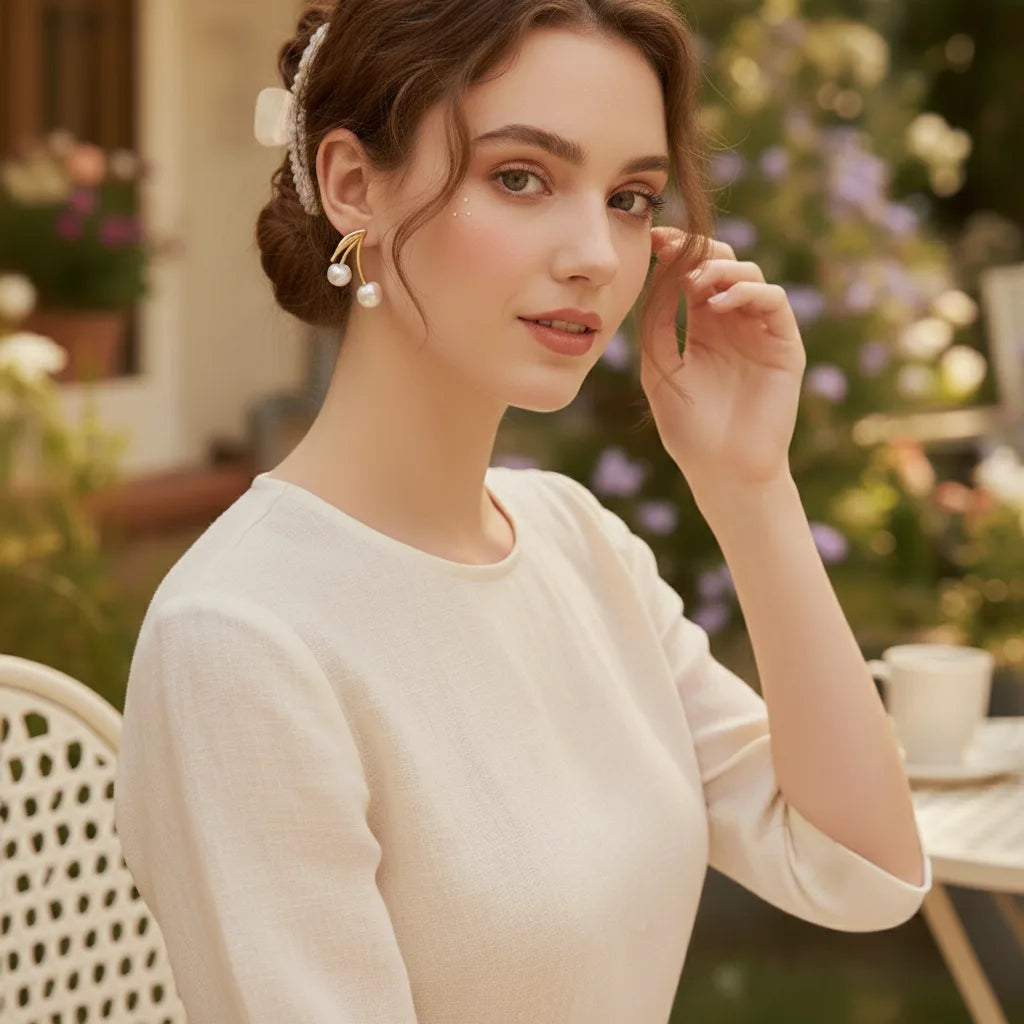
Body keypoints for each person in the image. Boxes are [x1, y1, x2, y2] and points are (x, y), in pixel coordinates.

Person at [113, 1, 931, 1021]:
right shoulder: (242, 640)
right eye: (520, 177)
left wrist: (749, 489)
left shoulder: (576, 542)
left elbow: (861, 866)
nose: (595, 252)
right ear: (352, 185)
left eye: (631, 197)